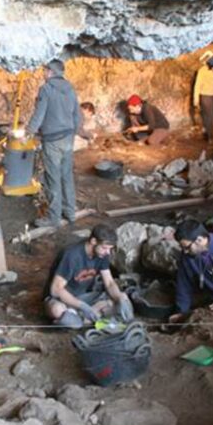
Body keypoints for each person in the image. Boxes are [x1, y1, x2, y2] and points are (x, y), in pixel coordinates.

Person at [44, 223, 134, 328]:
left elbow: (109, 283)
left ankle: (80, 318)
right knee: (56, 310)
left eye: (110, 249)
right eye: (105, 248)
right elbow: (56, 289)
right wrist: (83, 306)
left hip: (84, 296)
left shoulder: (102, 254)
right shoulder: (72, 255)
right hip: (64, 299)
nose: (108, 252)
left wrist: (120, 298)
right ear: (93, 241)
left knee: (123, 297)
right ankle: (85, 316)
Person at [26, 59, 80, 228]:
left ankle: (53, 218)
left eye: (45, 71)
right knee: (66, 176)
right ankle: (70, 212)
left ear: (50, 72)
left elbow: (39, 114)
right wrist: (75, 132)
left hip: (53, 141)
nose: (43, 73)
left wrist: (28, 133)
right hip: (68, 139)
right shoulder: (70, 89)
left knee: (52, 179)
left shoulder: (47, 89)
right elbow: (77, 115)